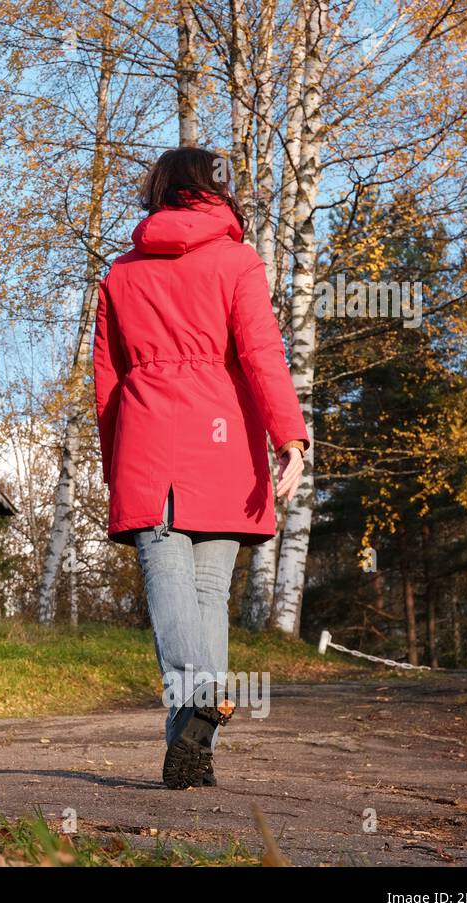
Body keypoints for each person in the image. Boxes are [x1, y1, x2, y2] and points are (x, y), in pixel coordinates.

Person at [93, 146, 309, 789]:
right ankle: (195, 744)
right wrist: (289, 438)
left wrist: (116, 464)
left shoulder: (120, 275)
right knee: (209, 593)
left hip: (149, 442)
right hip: (226, 443)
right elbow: (264, 352)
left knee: (168, 577)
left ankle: (199, 702)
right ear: (215, 192)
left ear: (161, 190)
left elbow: (107, 382)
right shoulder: (240, 261)